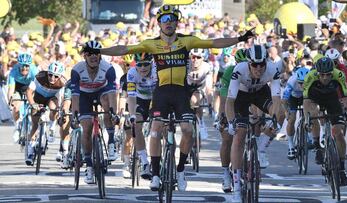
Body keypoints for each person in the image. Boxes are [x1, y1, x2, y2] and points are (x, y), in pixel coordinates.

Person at [86, 4, 255, 191]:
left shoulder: (187, 41)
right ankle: (156, 174)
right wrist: (100, 51)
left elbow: (214, 43)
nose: (169, 23)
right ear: (159, 23)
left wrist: (240, 38)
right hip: (162, 93)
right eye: (164, 19)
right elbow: (124, 49)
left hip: (181, 92)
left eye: (172, 19)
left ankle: (181, 170)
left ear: (177, 22)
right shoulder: (152, 44)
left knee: (188, 130)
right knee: (156, 130)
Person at [225, 44, 281, 202]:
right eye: (254, 65)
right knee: (239, 134)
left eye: (261, 64)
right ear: (248, 63)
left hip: (260, 93)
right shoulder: (239, 70)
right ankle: (236, 186)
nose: (258, 68)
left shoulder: (273, 69)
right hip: (241, 96)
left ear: (266, 62)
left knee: (281, 113)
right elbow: (230, 101)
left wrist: (274, 120)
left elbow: (276, 100)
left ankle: (261, 149)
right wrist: (231, 122)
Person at [70, 41, 118, 184]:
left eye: (96, 53)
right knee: (86, 127)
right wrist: (75, 115)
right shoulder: (77, 70)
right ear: (84, 55)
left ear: (100, 55)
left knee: (106, 104)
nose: (93, 56)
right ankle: (89, 166)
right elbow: (75, 96)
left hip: (101, 92)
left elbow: (112, 93)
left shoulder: (108, 68)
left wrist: (113, 112)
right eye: (89, 53)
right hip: (84, 96)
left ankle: (111, 141)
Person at [303, 57, 347, 186]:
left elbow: (346, 97)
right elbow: (306, 101)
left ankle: (341, 169)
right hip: (315, 98)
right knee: (313, 113)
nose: (325, 78)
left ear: (333, 72)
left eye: (328, 74)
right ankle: (317, 146)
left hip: (332, 99)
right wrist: (307, 119)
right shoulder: (310, 76)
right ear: (317, 72)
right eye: (322, 75)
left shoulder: (339, 75)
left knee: (338, 132)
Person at [218, 48, 247, 193]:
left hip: (248, 103)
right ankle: (225, 174)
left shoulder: (255, 70)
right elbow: (224, 97)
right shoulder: (230, 71)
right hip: (231, 104)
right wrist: (222, 116)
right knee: (227, 138)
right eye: (240, 63)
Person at [25, 61, 67, 166]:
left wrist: (61, 110)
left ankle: (52, 127)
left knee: (54, 107)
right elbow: (29, 91)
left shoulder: (62, 82)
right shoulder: (40, 76)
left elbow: (62, 99)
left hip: (51, 98)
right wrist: (33, 104)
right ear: (47, 73)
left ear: (60, 76)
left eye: (56, 76)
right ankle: (30, 150)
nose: (52, 78)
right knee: (35, 123)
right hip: (38, 98)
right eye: (50, 74)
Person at [126, 52, 157, 180]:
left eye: (146, 64)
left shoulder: (157, 71)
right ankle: (145, 163)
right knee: (136, 124)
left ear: (151, 64)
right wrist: (132, 115)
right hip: (140, 100)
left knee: (163, 125)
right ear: (135, 65)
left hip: (157, 99)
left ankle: (164, 155)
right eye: (140, 65)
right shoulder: (132, 73)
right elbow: (131, 96)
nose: (143, 68)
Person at [7, 53, 38, 143]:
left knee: (34, 107)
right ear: (18, 65)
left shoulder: (34, 71)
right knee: (16, 107)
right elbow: (11, 89)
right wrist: (10, 101)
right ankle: (17, 127)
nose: (24, 68)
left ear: (30, 65)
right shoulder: (13, 72)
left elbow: (37, 87)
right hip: (18, 88)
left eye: (27, 66)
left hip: (30, 88)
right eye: (22, 66)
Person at [282, 67, 309, 159]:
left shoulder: (311, 81)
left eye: (304, 83)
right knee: (292, 119)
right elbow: (284, 100)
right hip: (292, 98)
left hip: (304, 98)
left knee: (309, 113)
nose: (302, 85)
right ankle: (290, 146)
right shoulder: (292, 81)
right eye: (300, 83)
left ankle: (309, 137)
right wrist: (286, 112)